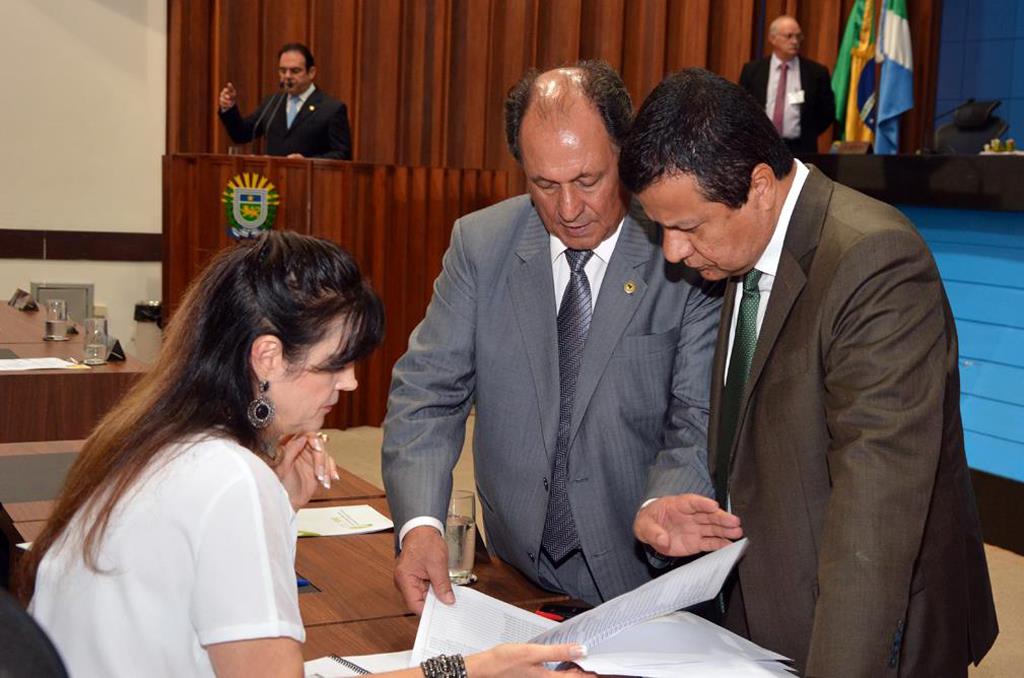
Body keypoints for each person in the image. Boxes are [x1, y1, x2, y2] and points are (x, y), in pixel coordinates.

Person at [16, 232, 583, 678]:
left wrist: (280, 503)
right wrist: (470, 670)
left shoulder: (150, 436)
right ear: (267, 357)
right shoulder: (230, 479)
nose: (352, 384)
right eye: (334, 363)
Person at [621, 68, 999, 677]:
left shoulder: (876, 264)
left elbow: (870, 530)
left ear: (761, 186)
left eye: (687, 227)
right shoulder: (741, 251)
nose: (672, 252)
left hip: (861, 636)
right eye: (660, 226)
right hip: (764, 619)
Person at [382, 61, 729, 613]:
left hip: (646, 579)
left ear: (626, 154)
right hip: (516, 576)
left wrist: (668, 501)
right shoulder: (481, 244)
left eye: (587, 181)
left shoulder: (683, 255)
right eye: (545, 185)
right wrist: (421, 525)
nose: (568, 210)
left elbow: (697, 417)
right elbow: (427, 395)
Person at [218, 43, 352, 160]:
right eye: (282, 71)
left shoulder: (331, 109)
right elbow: (241, 135)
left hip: (312, 184)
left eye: (295, 71)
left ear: (311, 72)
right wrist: (229, 109)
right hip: (273, 185)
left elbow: (343, 155)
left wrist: (308, 161)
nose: (287, 76)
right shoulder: (272, 103)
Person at [739, 16, 835, 154]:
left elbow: (827, 113)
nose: (795, 42)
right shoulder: (753, 70)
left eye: (798, 36)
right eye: (789, 36)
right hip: (761, 147)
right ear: (773, 39)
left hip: (801, 149)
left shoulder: (816, 73)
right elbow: (743, 108)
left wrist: (808, 132)